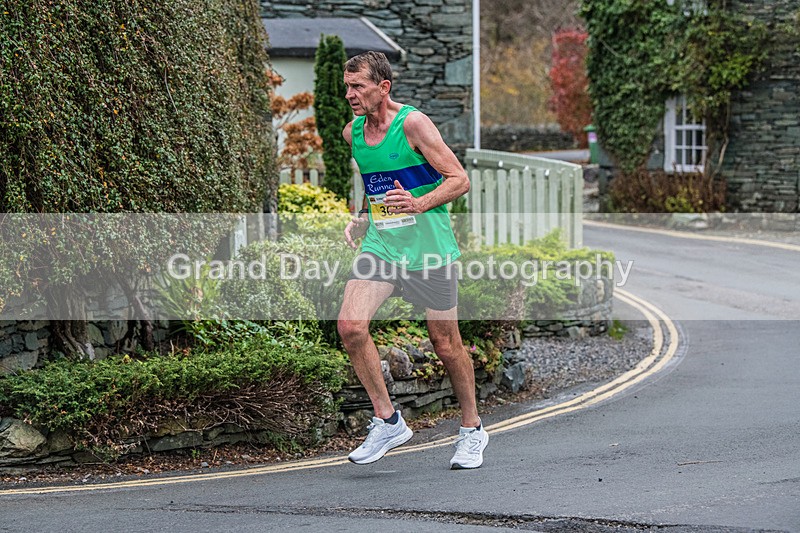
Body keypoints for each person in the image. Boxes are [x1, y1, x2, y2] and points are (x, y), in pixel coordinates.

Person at [337, 51, 489, 469]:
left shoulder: (413, 124)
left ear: (383, 88)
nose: (349, 94)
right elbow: (378, 186)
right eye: (347, 87)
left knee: (445, 344)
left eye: (358, 87)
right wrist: (365, 216)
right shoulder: (354, 134)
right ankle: (388, 421)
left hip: (430, 250)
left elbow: (460, 180)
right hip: (384, 247)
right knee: (350, 326)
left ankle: (472, 429)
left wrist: (419, 204)